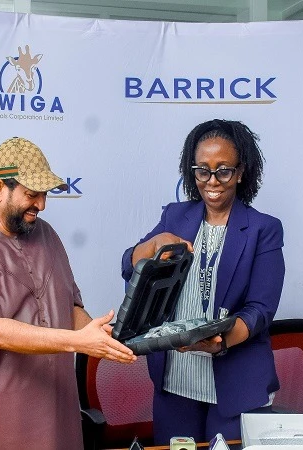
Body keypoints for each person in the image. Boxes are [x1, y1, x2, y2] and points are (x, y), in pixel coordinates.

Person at [0, 136, 136, 450]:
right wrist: (78, 342)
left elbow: (66, 307)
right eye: (31, 194)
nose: (41, 205)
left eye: (44, 194)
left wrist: (104, 336)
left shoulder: (47, 235)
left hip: (55, 403)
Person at [121, 119, 285, 443]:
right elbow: (129, 265)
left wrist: (221, 341)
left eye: (223, 170)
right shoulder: (174, 217)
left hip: (235, 383)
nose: (212, 181)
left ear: (240, 172)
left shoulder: (264, 229)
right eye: (202, 170)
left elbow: (260, 310)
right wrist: (148, 248)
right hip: (175, 381)